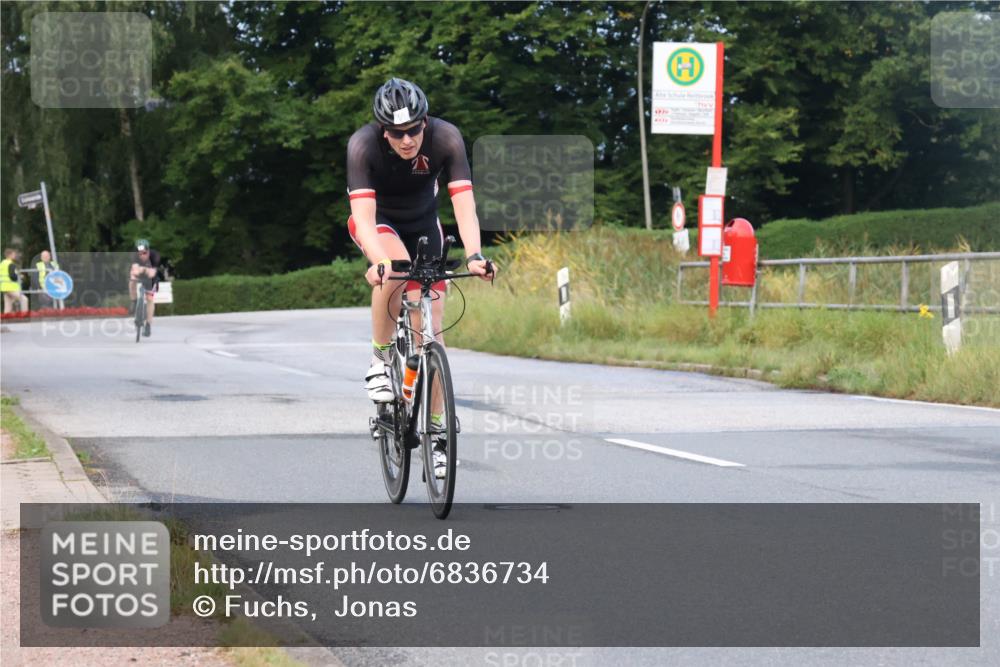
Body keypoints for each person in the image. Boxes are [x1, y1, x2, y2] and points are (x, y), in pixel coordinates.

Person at [346, 78, 495, 476]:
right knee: (393, 270)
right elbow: (362, 217)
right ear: (383, 130)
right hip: (380, 225)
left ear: (425, 121)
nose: (408, 139)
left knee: (432, 331)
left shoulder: (446, 137)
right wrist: (378, 262)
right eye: (397, 133)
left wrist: (476, 254)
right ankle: (379, 360)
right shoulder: (363, 146)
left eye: (414, 129)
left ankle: (438, 432)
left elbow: (464, 205)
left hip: (425, 225)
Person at [129, 239, 161, 337]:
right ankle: (134, 302)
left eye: (144, 253)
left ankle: (148, 325)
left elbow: (152, 273)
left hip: (151, 277)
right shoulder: (135, 256)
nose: (142, 255)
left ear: (148, 251)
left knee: (150, 299)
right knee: (131, 281)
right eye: (140, 253)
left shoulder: (154, 256)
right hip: (139, 274)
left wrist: (142, 269)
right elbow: (134, 271)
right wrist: (136, 274)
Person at [1, 248, 29, 314]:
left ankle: (5, 321)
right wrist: (20, 277)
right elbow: (13, 276)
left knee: (8, 307)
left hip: (4, 287)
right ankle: (25, 316)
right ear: (10, 255)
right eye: (13, 254)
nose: (15, 255)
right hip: (11, 287)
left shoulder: (2, 263)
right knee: (24, 300)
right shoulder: (11, 264)